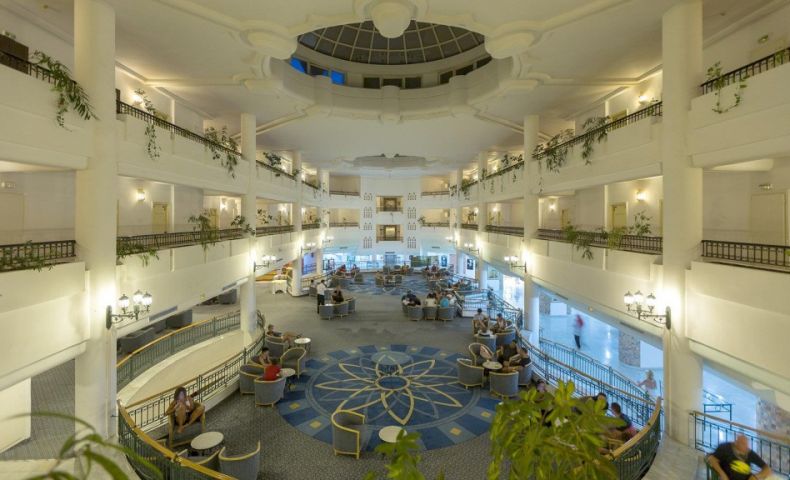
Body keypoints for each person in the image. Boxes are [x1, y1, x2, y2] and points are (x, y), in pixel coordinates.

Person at [708, 435, 772, 480]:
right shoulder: (726, 448)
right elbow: (711, 459)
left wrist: (755, 476)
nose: (746, 447)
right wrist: (722, 474)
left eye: (747, 444)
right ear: (736, 443)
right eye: (743, 444)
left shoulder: (749, 453)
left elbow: (767, 469)